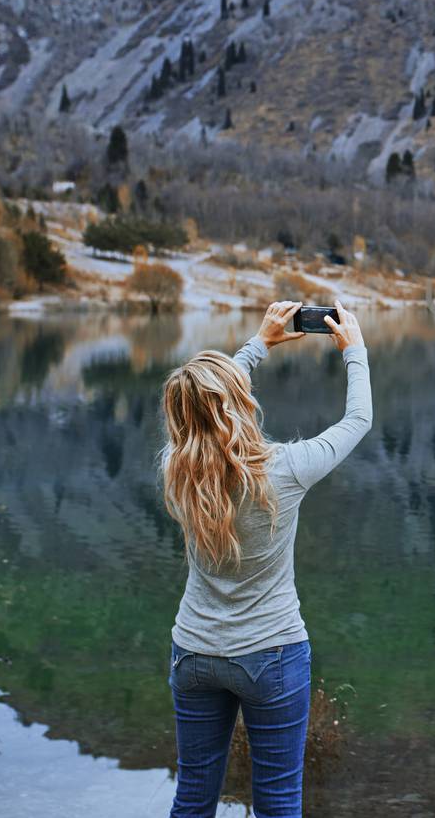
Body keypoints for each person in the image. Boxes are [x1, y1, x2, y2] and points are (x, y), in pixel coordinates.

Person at [159, 300, 371, 817]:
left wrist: (258, 344)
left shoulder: (175, 470)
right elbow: (359, 419)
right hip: (271, 654)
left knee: (193, 795)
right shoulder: (287, 469)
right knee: (278, 800)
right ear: (238, 402)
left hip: (194, 652)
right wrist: (355, 352)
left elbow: (201, 405)